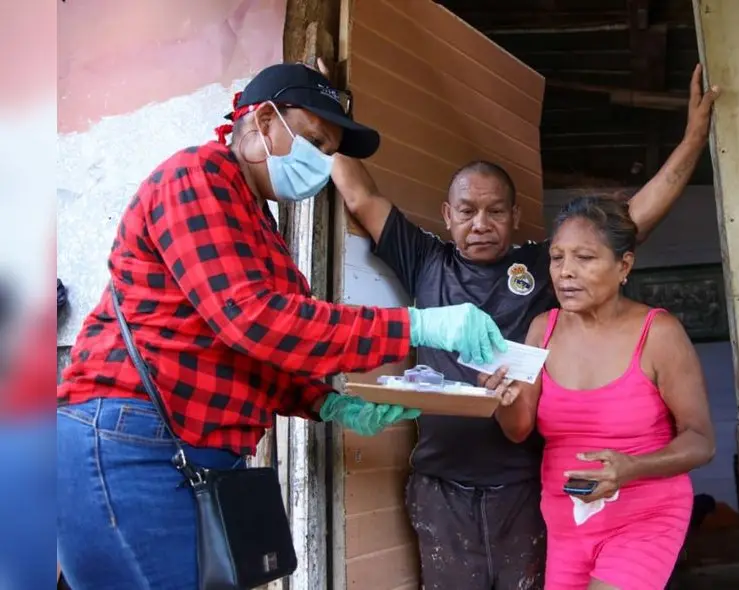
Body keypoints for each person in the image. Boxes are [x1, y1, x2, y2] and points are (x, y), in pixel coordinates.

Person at [55, 63, 507, 590]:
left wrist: (329, 402)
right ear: (263, 120)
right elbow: (253, 321)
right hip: (131, 446)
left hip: (188, 455)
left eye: (327, 151)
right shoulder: (195, 177)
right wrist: (417, 326)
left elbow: (262, 349)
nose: (319, 162)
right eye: (313, 141)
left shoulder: (257, 222)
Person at [331, 64, 720, 589]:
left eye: (495, 211)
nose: (480, 223)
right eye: (467, 211)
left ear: (516, 216)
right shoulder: (425, 259)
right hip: (442, 480)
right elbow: (359, 196)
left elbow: (630, 221)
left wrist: (695, 137)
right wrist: (323, 121)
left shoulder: (546, 269)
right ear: (447, 215)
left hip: (523, 484)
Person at [480, 196, 716, 590]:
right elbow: (518, 429)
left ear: (624, 265)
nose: (565, 272)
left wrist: (632, 468)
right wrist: (501, 400)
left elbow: (701, 440)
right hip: (567, 523)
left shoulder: (658, 333)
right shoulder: (543, 329)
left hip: (645, 517)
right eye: (557, 258)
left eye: (585, 258)